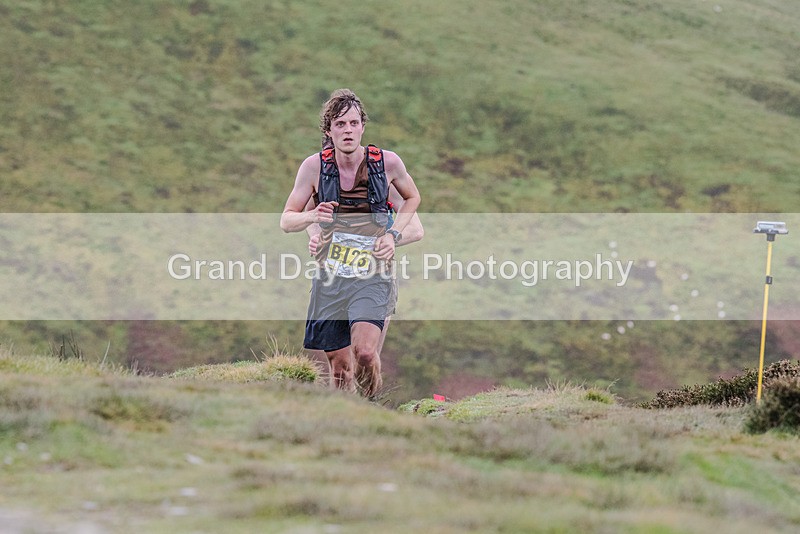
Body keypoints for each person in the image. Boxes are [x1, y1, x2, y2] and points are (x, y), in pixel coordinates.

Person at [280, 88, 421, 397]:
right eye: (340, 124)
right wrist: (313, 224)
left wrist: (392, 236)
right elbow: (288, 219)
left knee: (366, 354)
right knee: (341, 370)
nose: (347, 130)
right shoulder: (314, 168)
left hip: (372, 275)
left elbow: (414, 210)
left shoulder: (384, 167)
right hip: (331, 278)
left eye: (353, 123)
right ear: (328, 131)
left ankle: (370, 405)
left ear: (362, 127)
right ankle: (347, 415)